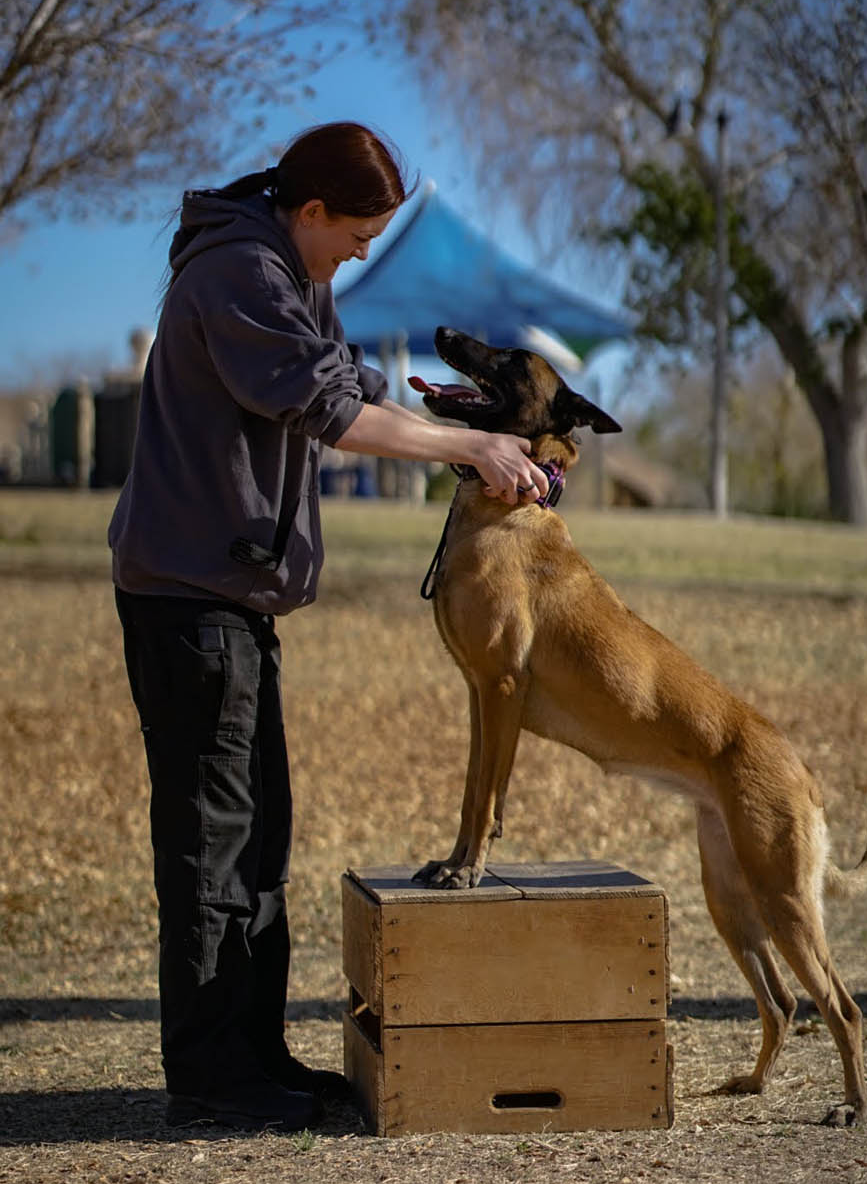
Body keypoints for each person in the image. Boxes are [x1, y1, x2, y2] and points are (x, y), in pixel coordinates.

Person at [109, 121, 549, 1132]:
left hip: (228, 599)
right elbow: (326, 407)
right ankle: (215, 1077)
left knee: (259, 834)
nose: (359, 255)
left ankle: (254, 1054)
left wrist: (452, 416)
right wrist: (468, 446)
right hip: (189, 600)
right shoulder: (239, 273)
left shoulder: (279, 265)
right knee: (215, 844)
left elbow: (347, 378)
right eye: (354, 236)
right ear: (308, 210)